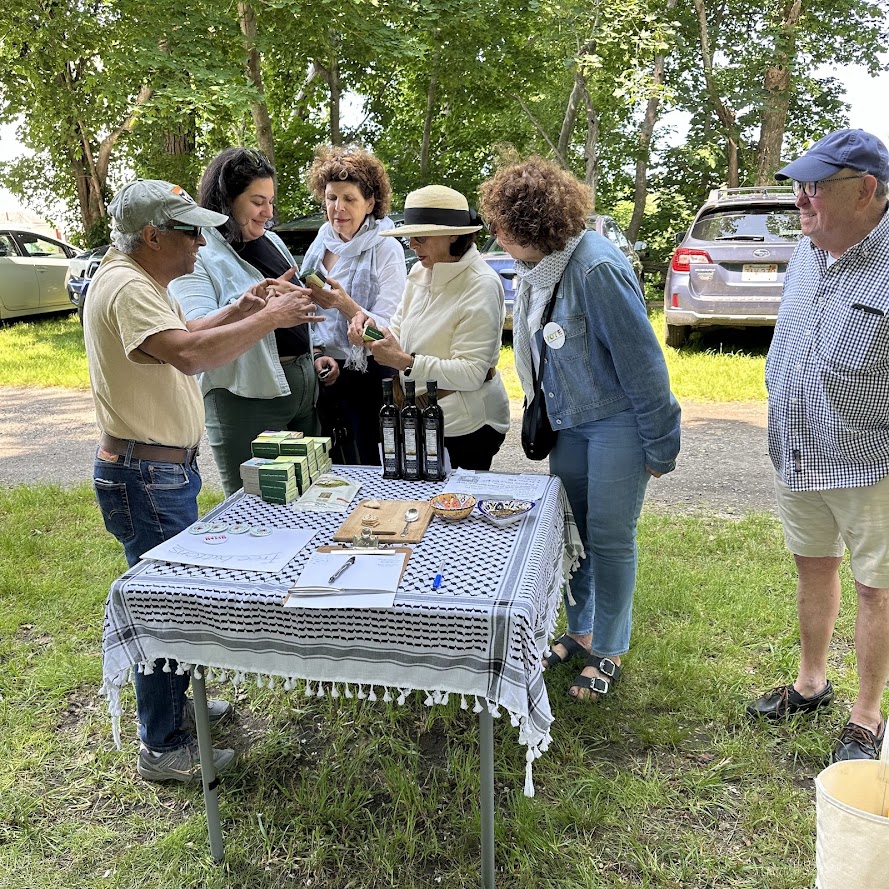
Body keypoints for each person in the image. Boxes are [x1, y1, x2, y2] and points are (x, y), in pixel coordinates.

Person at [85, 179, 315, 781]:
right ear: (152, 236)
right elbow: (189, 356)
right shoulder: (127, 286)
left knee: (172, 598)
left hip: (154, 470)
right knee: (165, 606)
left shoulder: (138, 280)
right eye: (189, 231)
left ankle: (172, 709)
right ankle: (162, 744)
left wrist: (241, 310)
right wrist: (268, 318)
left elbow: (182, 339)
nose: (200, 241)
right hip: (145, 473)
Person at [478, 157, 680, 701]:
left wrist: (660, 443)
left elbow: (644, 364)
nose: (494, 235)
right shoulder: (538, 267)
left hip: (616, 424)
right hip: (568, 424)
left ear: (530, 224)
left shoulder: (594, 268)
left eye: (500, 225)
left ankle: (609, 648)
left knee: (610, 539)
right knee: (574, 538)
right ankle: (581, 630)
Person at [746, 128, 889, 762]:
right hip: (798, 447)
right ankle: (811, 683)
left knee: (877, 587)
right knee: (813, 564)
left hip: (872, 460)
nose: (800, 199)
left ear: (866, 191)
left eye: (815, 187)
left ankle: (867, 716)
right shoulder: (808, 251)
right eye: (799, 185)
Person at [168, 147, 331, 496]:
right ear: (227, 201)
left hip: (302, 392)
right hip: (245, 401)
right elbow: (194, 331)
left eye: (270, 202)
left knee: (311, 496)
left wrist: (315, 347)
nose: (268, 213)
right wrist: (261, 310)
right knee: (253, 502)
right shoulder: (199, 253)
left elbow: (293, 303)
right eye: (258, 202)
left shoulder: (271, 240)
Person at [347, 184, 510, 470]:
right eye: (409, 236)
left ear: (453, 235)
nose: (411, 244)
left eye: (420, 237)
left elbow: (472, 373)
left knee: (457, 499)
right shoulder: (420, 270)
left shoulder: (481, 284)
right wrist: (372, 331)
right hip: (425, 419)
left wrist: (405, 362)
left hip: (467, 426)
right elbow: (398, 331)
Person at [300, 145, 407, 464]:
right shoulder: (321, 241)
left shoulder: (386, 248)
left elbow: (389, 329)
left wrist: (345, 305)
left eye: (349, 198)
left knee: (372, 465)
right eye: (331, 197)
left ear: (370, 202)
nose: (338, 208)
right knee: (331, 468)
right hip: (324, 371)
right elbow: (308, 314)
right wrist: (317, 354)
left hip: (371, 375)